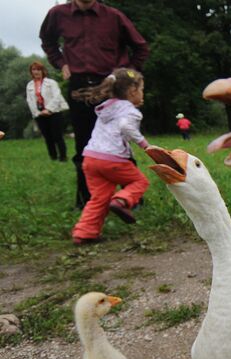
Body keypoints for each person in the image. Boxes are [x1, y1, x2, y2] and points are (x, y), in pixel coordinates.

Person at [40, 0, 149, 209]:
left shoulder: (113, 16)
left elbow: (141, 47)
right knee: (84, 143)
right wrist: (61, 63)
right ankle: (87, 200)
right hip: (80, 86)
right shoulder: (58, 14)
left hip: (111, 86)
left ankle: (131, 198)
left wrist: (124, 77)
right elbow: (48, 41)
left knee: (121, 139)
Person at [70, 68, 151, 245]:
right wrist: (146, 146)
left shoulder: (107, 108)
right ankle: (121, 201)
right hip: (113, 160)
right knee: (140, 182)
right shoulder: (130, 111)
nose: (142, 93)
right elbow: (126, 127)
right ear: (132, 90)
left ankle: (84, 233)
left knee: (99, 198)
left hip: (90, 160)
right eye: (142, 89)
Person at [25, 61, 69, 162]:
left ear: (43, 71)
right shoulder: (29, 85)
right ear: (31, 72)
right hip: (40, 113)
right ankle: (53, 157)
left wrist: (48, 109)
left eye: (38, 69)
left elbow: (57, 96)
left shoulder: (51, 83)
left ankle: (63, 157)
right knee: (47, 137)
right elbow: (29, 100)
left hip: (54, 112)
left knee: (57, 136)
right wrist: (37, 112)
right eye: (34, 70)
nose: (36, 72)